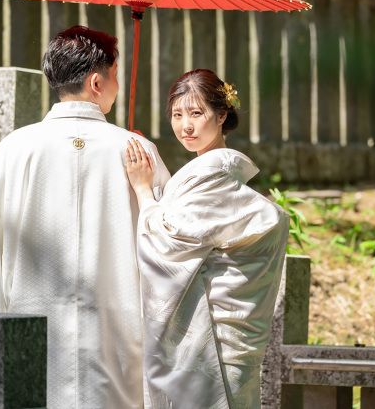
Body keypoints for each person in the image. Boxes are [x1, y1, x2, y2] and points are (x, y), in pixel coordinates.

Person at [0, 25, 170, 409]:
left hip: (28, 334)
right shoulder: (137, 150)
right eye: (115, 74)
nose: (118, 84)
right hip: (119, 342)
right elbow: (168, 242)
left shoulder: (14, 148)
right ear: (96, 82)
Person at [124, 69, 289, 408]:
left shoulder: (213, 176)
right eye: (177, 114)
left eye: (196, 113)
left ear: (222, 114)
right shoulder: (208, 173)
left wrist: (143, 189)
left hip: (215, 341)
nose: (186, 125)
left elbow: (165, 241)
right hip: (226, 340)